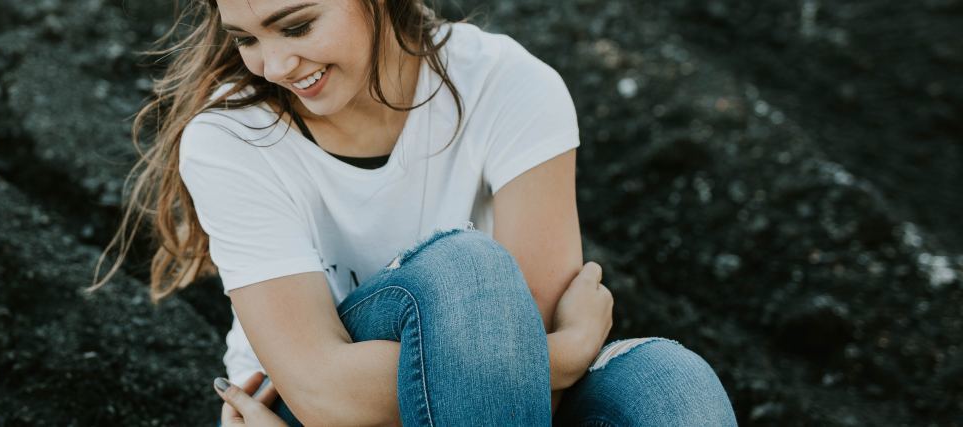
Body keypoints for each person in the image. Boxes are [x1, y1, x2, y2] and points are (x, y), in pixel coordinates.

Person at [86, 0, 738, 425]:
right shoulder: (231, 135)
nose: (276, 64)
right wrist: (565, 350)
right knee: (470, 269)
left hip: (507, 408)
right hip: (307, 416)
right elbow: (321, 390)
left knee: (671, 388)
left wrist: (533, 368)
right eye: (246, 38)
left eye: (298, 25)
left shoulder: (507, 84)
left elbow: (514, 390)